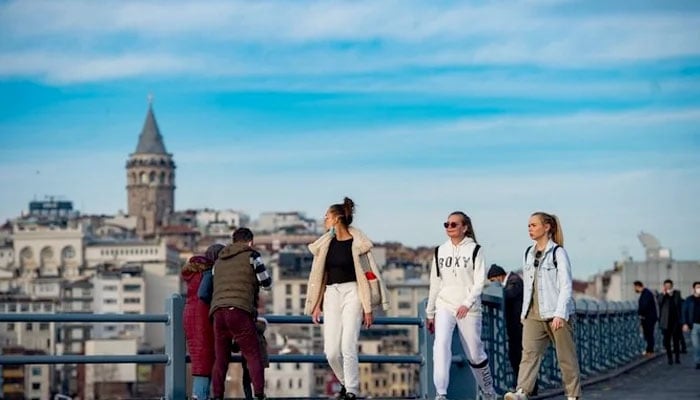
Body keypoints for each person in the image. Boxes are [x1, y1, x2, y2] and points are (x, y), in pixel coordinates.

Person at [304, 197, 390, 400]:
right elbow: (321, 276)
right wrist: (316, 305)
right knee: (331, 351)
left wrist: (368, 308)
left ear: (336, 218)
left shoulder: (359, 244)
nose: (324, 219)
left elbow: (368, 276)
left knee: (347, 345)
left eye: (327, 216)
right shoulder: (325, 244)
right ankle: (345, 383)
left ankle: (351, 390)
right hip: (331, 294)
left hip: (353, 293)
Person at [505, 212, 581, 400]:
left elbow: (565, 285)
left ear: (546, 227)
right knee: (529, 355)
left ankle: (573, 395)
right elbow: (528, 285)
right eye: (529, 225)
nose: (530, 228)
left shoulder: (558, 252)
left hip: (556, 313)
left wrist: (560, 313)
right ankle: (522, 391)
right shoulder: (528, 254)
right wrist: (524, 313)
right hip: (533, 314)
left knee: (566, 358)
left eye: (534, 225)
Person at [426, 211, 497, 400]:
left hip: (468, 307)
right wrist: (430, 312)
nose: (449, 227)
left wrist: (467, 303)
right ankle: (441, 393)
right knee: (440, 345)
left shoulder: (475, 249)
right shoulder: (439, 251)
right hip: (444, 304)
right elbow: (435, 283)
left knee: (474, 353)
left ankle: (489, 391)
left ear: (465, 227)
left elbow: (479, 281)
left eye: (454, 224)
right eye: (447, 224)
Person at [210, 228, 272, 400]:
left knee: (221, 359)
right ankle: (259, 395)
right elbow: (266, 282)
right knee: (253, 355)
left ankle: (216, 396)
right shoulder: (252, 256)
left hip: (218, 312)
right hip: (239, 310)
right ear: (250, 242)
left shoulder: (219, 261)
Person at [181, 243, 224, 400]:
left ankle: (200, 395)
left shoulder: (195, 274)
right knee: (204, 362)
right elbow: (205, 294)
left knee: (201, 359)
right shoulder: (209, 273)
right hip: (202, 317)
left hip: (191, 315)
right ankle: (200, 396)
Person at [488, 264, 524, 389]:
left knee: (518, 356)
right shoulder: (514, 280)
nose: (493, 284)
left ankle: (523, 387)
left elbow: (509, 294)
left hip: (518, 327)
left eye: (493, 281)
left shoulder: (515, 281)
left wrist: (499, 290)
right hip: (517, 327)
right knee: (518, 356)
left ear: (499, 276)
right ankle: (522, 386)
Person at [658, 279, 683, 365]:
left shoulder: (677, 293)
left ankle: (677, 357)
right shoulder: (661, 295)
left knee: (676, 340)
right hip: (666, 321)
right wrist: (665, 294)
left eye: (669, 286)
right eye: (666, 286)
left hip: (676, 321)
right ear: (664, 287)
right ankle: (669, 358)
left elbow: (679, 305)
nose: (668, 288)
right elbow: (659, 303)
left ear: (672, 286)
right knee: (667, 341)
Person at [633, 280, 658, 356]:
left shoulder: (646, 294)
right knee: (648, 334)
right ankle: (649, 350)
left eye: (634, 287)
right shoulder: (646, 293)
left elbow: (644, 306)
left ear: (638, 286)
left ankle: (649, 351)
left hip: (648, 318)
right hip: (649, 317)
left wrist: (640, 313)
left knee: (648, 334)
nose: (634, 289)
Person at [682, 281, 700, 369]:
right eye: (697, 287)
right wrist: (685, 323)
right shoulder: (689, 300)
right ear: (694, 289)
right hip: (694, 326)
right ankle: (698, 362)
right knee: (696, 345)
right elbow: (684, 312)